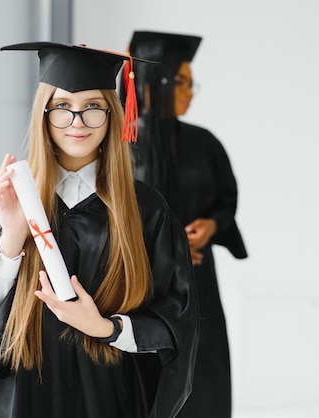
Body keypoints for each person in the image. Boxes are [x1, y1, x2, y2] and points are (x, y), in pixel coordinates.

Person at [0, 41, 199, 418]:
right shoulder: (7, 204)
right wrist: (11, 246)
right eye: (62, 107)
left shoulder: (146, 211)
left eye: (93, 107)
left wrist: (105, 327)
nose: (77, 122)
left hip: (111, 401)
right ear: (43, 116)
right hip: (19, 401)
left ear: (112, 115)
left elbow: (177, 323)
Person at [122, 31, 248, 418]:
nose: (190, 93)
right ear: (154, 82)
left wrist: (211, 226)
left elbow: (226, 202)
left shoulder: (205, 143)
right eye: (181, 82)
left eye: (192, 84)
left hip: (197, 282)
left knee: (203, 372)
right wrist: (169, 247)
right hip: (142, 283)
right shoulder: (122, 145)